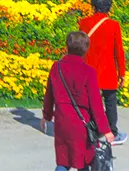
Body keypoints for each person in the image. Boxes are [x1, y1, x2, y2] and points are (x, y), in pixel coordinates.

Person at [41, 31, 115, 171]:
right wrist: (106, 130)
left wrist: (46, 116)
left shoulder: (56, 67)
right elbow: (96, 105)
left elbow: (49, 95)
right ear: (86, 49)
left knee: (63, 160)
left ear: (67, 46)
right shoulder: (89, 72)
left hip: (62, 122)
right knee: (84, 160)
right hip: (81, 124)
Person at [79, 0, 127, 146]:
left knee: (90, 102)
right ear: (109, 7)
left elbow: (80, 48)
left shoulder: (83, 23)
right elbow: (118, 51)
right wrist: (122, 73)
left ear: (93, 6)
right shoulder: (114, 25)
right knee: (110, 102)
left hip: (88, 72)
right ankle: (112, 133)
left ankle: (91, 131)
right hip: (108, 72)